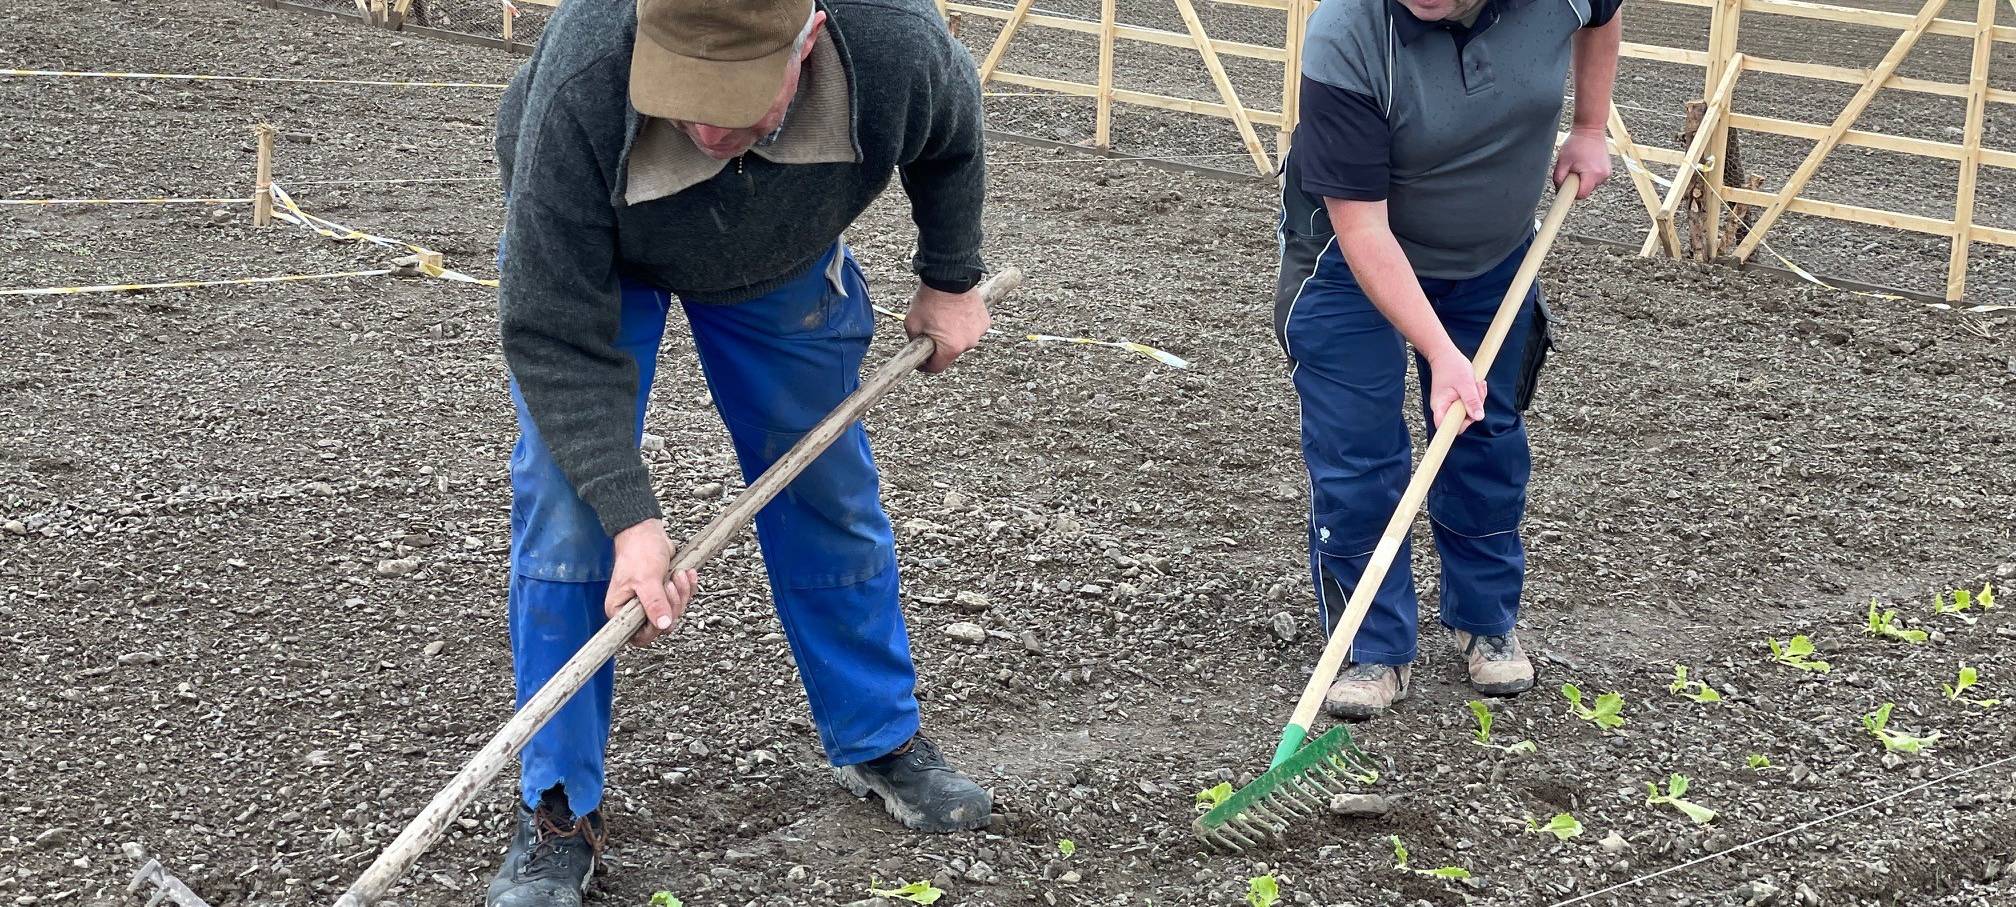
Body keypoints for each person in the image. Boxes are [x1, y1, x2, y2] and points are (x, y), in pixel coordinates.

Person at [487, 0, 995, 902]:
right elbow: (551, 331)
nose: (711, 124)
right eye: (687, 94)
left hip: (779, 249)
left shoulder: (891, 45)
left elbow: (952, 134)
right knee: (571, 512)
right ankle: (558, 803)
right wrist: (632, 519)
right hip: (604, 244)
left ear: (805, 40)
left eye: (738, 96)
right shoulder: (583, 77)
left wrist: (951, 277)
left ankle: (878, 738)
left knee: (825, 482)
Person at [1274, 0, 1620, 719]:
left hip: (1491, 251)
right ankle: (1371, 646)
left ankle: (1485, 620)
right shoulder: (1349, 31)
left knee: (1485, 437)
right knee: (1359, 449)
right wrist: (1440, 350)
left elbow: (1603, 14)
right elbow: (1363, 227)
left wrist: (1589, 127)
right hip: (1349, 257)